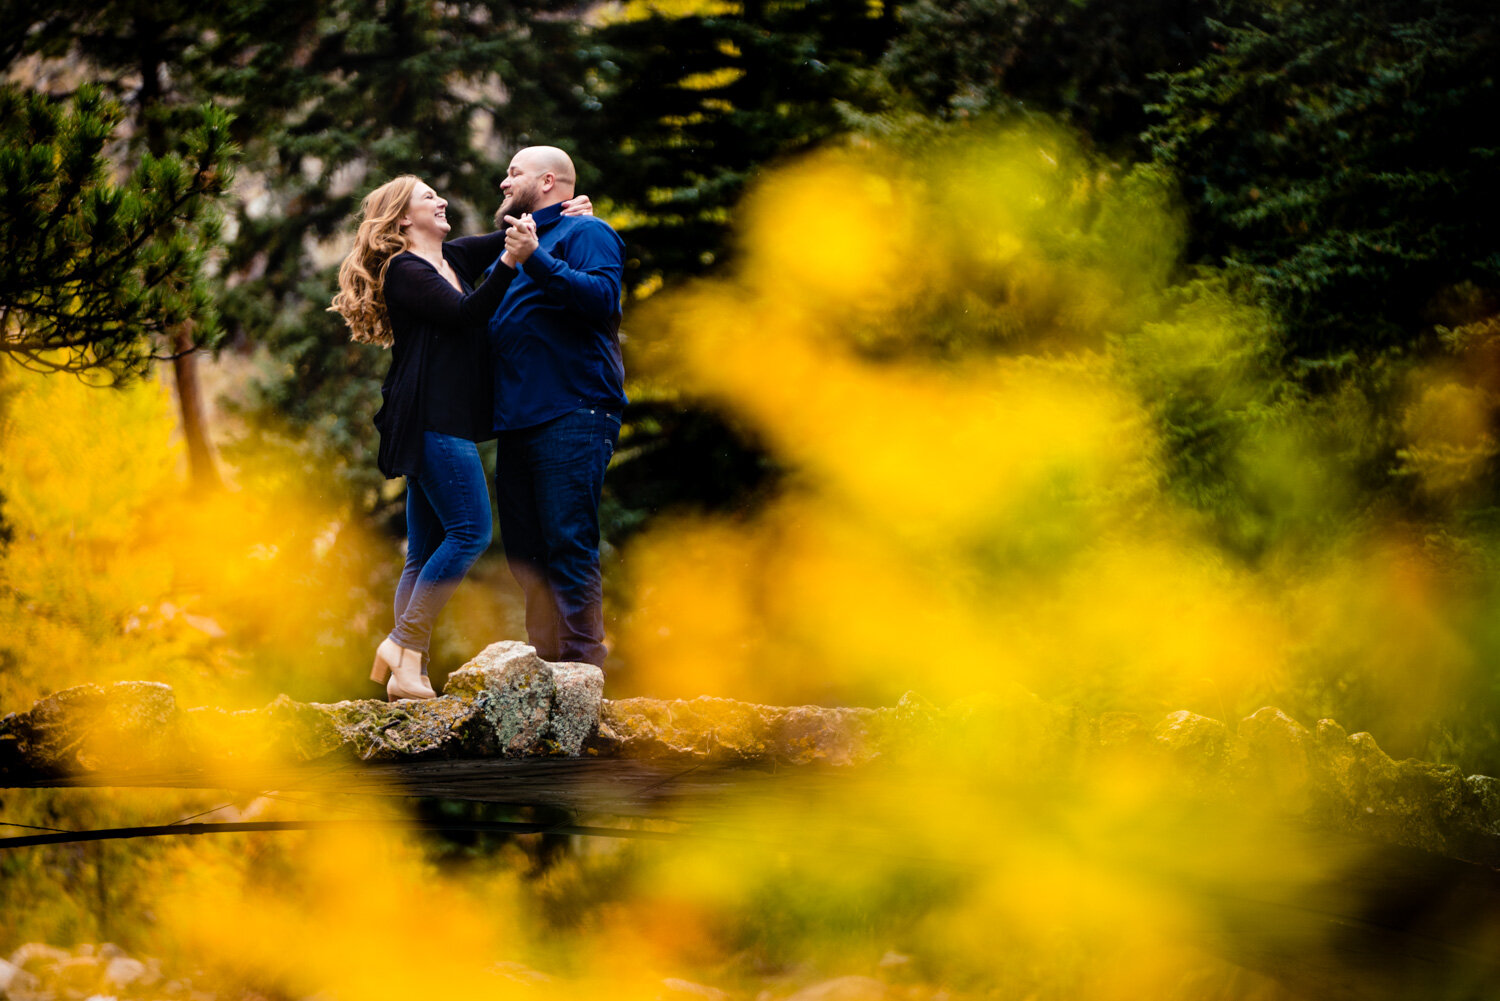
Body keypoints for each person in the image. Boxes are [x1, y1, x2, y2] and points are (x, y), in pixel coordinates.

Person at [328, 174, 592, 699]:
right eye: (429, 196)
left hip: (440, 419)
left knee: (422, 553)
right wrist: (514, 263)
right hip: (430, 419)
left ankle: (408, 672)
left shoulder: (455, 259)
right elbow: (466, 313)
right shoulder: (405, 269)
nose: (441, 199)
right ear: (404, 218)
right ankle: (402, 642)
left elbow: (512, 234)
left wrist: (563, 210)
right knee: (470, 531)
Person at [486, 146, 627, 667]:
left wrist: (536, 258)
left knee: (568, 544)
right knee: (526, 554)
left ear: (547, 182)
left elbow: (600, 299)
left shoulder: (586, 233)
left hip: (574, 410)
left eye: (513, 173)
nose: (504, 182)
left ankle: (581, 675)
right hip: (517, 421)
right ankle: (541, 673)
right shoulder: (514, 245)